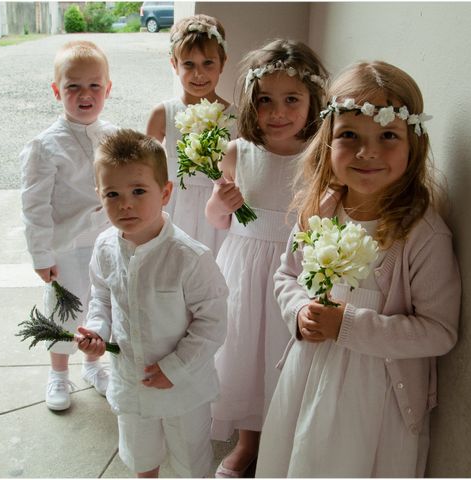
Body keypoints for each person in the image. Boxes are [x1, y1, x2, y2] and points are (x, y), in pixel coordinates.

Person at [255, 61, 462, 477]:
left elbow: (439, 331)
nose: (368, 152)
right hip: (308, 377)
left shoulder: (422, 236)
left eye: (387, 135)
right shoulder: (321, 211)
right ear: (327, 142)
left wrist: (345, 325)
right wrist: (298, 311)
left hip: (376, 400)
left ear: (413, 144)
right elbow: (287, 275)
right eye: (349, 135)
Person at [205, 39, 328, 477]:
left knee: (285, 358)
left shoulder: (322, 157)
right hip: (244, 269)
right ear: (249, 104)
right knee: (245, 358)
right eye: (265, 101)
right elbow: (217, 221)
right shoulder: (239, 153)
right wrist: (223, 199)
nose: (277, 112)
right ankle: (248, 443)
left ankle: (285, 444)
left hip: (293, 275)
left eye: (291, 99)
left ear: (314, 100)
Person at [76, 129, 228, 478]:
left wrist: (174, 368)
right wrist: (97, 331)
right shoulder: (104, 247)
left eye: (138, 191)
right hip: (131, 380)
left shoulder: (189, 257)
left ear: (165, 192)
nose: (125, 203)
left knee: (190, 459)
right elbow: (101, 296)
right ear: (99, 196)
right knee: (140, 456)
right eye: (112, 193)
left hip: (184, 387)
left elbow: (213, 321)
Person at [20, 40, 115, 411]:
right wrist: (41, 254)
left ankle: (93, 363)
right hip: (67, 245)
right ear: (57, 91)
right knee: (66, 310)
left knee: (100, 306)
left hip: (108, 240)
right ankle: (59, 373)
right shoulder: (44, 146)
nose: (85, 94)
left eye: (94, 86)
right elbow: (35, 205)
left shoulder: (114, 134)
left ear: (107, 89)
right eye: (73, 86)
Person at [146, 14, 236, 257]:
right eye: (189, 64)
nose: (199, 74)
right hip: (176, 209)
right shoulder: (163, 114)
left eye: (208, 63)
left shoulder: (236, 116)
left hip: (220, 212)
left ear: (223, 62)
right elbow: (146, 170)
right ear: (174, 64)